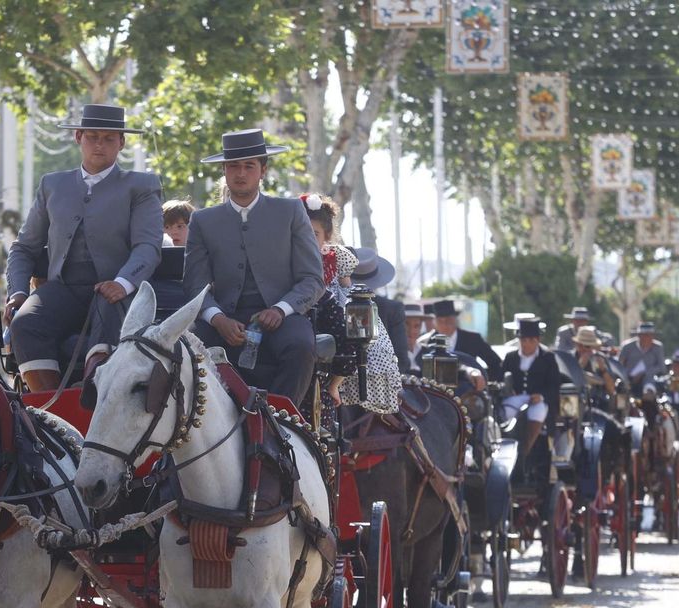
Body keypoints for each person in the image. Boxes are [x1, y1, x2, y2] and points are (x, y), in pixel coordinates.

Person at [4, 104, 162, 392]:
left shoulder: (141, 186)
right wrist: (18, 293)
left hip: (114, 290)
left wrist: (123, 283)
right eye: (92, 137)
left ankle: (94, 393)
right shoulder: (52, 184)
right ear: (78, 137)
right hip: (63, 288)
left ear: (122, 142)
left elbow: (148, 246)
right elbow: (24, 248)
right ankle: (47, 406)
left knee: (106, 325)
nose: (99, 144)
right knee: (25, 324)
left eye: (109, 138)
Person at [184, 128, 323, 403]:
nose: (241, 173)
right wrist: (217, 319)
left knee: (301, 347)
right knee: (188, 351)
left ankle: (280, 420)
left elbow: (312, 279)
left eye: (249, 166)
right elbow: (194, 285)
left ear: (263, 170)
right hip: (225, 316)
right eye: (233, 166)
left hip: (283, 315)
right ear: (224, 170)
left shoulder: (290, 211)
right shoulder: (203, 221)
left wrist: (280, 310)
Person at [299, 193, 402, 412]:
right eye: (302, 232)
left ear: (326, 236)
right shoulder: (287, 255)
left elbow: (346, 287)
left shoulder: (335, 257)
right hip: (303, 306)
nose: (307, 239)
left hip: (329, 303)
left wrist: (344, 305)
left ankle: (335, 385)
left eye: (314, 234)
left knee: (354, 335)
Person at [500, 318, 563, 475]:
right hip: (516, 399)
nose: (526, 344)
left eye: (530, 340)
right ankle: (506, 446)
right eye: (523, 340)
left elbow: (554, 385)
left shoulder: (548, 358)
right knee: (505, 411)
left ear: (537, 340)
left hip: (537, 401)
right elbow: (502, 379)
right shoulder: (511, 357)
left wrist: (541, 396)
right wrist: (507, 390)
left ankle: (524, 451)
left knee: (538, 411)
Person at [420, 297, 501, 372]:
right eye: (440, 321)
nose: (445, 325)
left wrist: (481, 377)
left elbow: (496, 363)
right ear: (435, 323)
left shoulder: (472, 339)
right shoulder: (427, 343)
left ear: (455, 320)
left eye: (449, 320)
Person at [618, 322, 666, 395]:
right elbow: (620, 365)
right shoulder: (627, 347)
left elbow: (662, 367)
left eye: (651, 335)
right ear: (639, 335)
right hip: (627, 379)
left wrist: (644, 373)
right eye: (645, 335)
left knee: (650, 392)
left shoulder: (658, 347)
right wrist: (629, 377)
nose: (648, 338)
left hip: (648, 379)